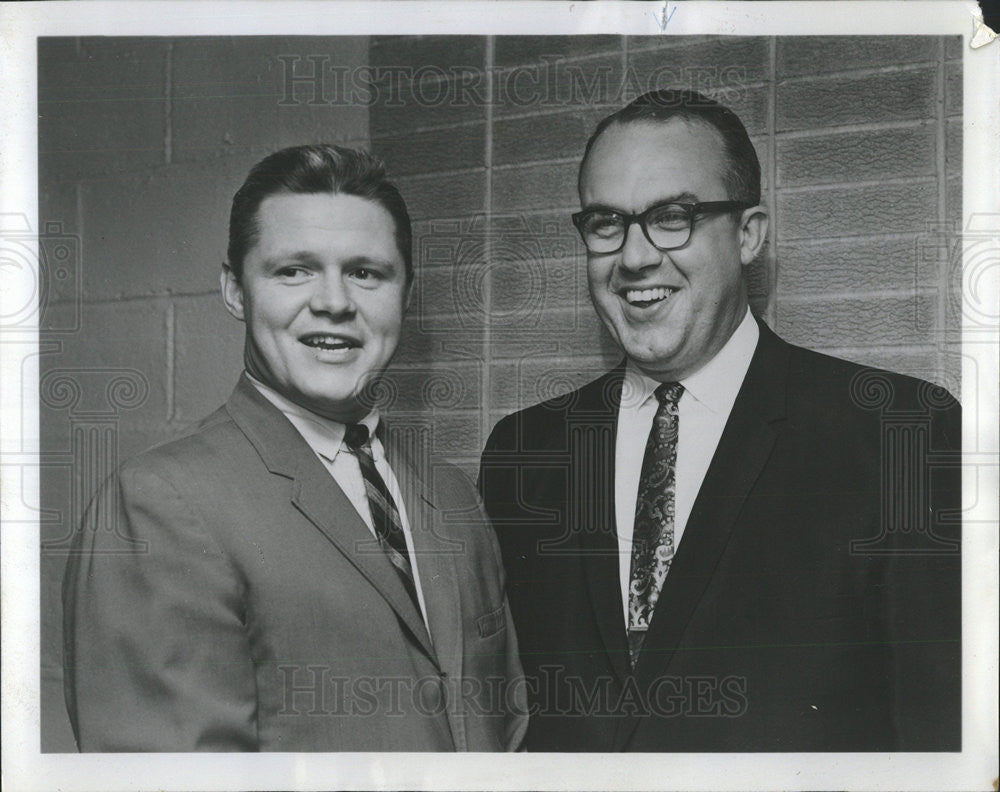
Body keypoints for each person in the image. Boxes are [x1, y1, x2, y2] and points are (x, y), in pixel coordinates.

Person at [479, 89, 961, 752]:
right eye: (605, 223)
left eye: (673, 217)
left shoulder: (898, 433)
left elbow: (937, 732)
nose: (635, 257)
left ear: (749, 234)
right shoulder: (524, 451)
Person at [63, 144, 528, 752]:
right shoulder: (158, 504)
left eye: (366, 272)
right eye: (294, 270)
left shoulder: (453, 496)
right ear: (235, 291)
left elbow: (507, 731)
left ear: (406, 294)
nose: (334, 302)